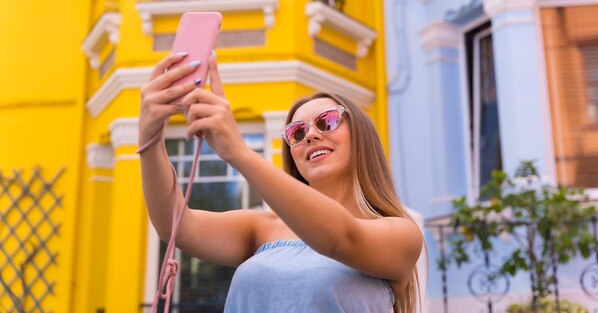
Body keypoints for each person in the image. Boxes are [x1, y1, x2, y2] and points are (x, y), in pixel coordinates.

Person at [139, 52, 426, 313]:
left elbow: (340, 239)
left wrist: (239, 153)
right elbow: (176, 225)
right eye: (297, 133)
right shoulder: (261, 227)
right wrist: (150, 138)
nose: (311, 135)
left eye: (327, 121)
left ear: (361, 135)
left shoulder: (400, 234)